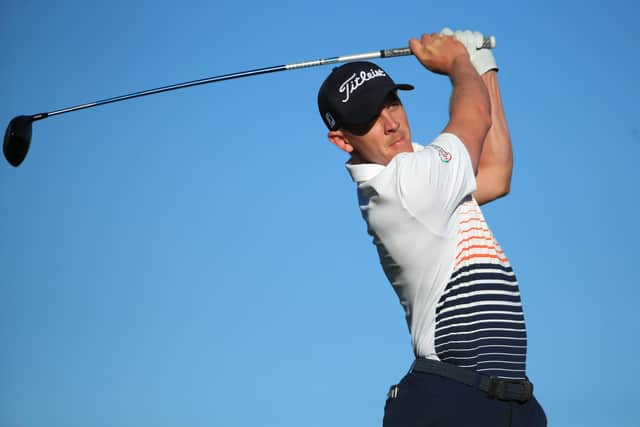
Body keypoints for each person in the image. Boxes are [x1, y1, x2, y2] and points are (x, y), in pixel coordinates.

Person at [317, 29, 547, 426]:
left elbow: (495, 172)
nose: (391, 123)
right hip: (451, 400)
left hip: (511, 404)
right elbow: (473, 118)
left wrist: (482, 67)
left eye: (392, 103)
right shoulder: (404, 186)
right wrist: (459, 62)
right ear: (342, 140)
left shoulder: (426, 170)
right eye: (369, 118)